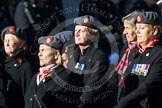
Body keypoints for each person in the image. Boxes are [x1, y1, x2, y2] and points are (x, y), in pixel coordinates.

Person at [114, 11, 162, 108]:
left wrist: (123, 103)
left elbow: (148, 86)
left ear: (155, 31)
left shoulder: (159, 54)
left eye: (142, 28)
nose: (137, 32)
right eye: (137, 28)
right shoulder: (135, 52)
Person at [66, 15, 112, 108]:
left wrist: (78, 105)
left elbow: (92, 88)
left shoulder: (99, 56)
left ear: (92, 35)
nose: (77, 34)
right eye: (75, 30)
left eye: (81, 31)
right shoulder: (74, 54)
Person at [24, 35, 76, 108]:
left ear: (56, 54)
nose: (39, 54)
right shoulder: (36, 76)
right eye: (39, 50)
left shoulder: (63, 78)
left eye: (43, 50)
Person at [0, 26, 33, 108]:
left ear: (21, 44)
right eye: (5, 40)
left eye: (11, 40)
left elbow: (28, 97)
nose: (7, 43)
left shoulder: (24, 66)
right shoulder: (1, 62)